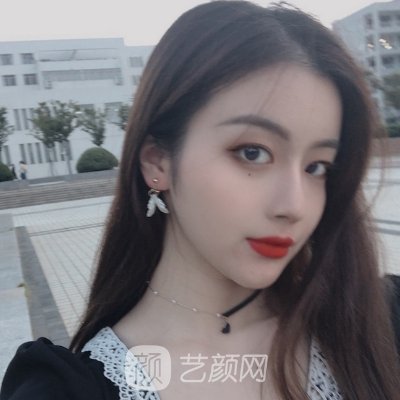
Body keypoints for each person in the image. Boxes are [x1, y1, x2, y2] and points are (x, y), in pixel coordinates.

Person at [1, 2, 399, 399]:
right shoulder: (64, 390)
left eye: (316, 167)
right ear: (157, 161)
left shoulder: (377, 325)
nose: (293, 206)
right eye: (253, 153)